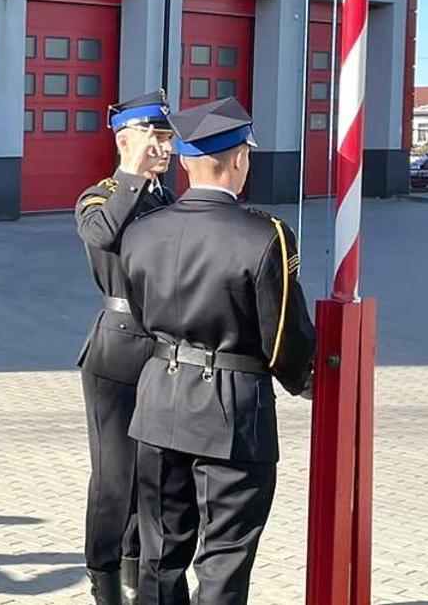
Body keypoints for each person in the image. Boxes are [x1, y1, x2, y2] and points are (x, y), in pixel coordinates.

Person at [120, 97, 316, 605]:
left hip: (159, 403)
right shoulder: (264, 235)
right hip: (233, 411)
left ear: (185, 162)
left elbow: (141, 317)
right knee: (224, 564)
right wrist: (308, 381)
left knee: (159, 558)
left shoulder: (140, 231)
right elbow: (282, 335)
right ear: (240, 159)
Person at [73, 90, 177, 605]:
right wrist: (131, 172)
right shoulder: (99, 197)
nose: (164, 147)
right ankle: (104, 575)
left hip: (164, 349)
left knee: (151, 474)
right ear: (124, 141)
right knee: (115, 477)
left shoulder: (167, 200)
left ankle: (139, 575)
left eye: (167, 137)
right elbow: (102, 234)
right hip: (116, 353)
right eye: (153, 137)